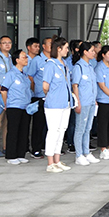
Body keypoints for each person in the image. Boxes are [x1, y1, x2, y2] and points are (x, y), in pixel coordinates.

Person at [42, 37, 72, 173]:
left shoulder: (64, 64)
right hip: (54, 105)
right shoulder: (50, 65)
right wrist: (53, 96)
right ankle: (50, 163)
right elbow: (45, 86)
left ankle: (57, 160)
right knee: (53, 132)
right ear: (59, 49)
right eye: (66, 48)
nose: (67, 50)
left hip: (65, 103)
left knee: (61, 131)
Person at [0, 49, 31, 165]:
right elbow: (4, 90)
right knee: (13, 131)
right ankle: (11, 155)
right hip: (14, 106)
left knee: (24, 131)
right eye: (24, 57)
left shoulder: (25, 74)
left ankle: (20, 154)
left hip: (25, 106)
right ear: (17, 60)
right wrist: (6, 104)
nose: (26, 59)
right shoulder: (11, 74)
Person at [71, 42, 100, 166]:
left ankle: (86, 152)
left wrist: (94, 99)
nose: (94, 53)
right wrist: (77, 102)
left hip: (91, 101)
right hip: (83, 102)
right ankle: (79, 155)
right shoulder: (79, 67)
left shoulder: (90, 66)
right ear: (85, 52)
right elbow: (75, 86)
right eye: (92, 50)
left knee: (88, 128)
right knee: (80, 128)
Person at [25, 36, 51, 159]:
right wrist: (34, 90)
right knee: (38, 124)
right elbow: (30, 76)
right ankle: (36, 148)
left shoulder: (54, 60)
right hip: (39, 96)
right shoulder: (37, 60)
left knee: (49, 124)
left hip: (51, 97)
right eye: (50, 44)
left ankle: (47, 146)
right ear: (44, 46)